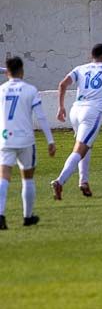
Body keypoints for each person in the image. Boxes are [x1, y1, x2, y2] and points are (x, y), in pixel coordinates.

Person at [52, 43, 102, 199]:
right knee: (80, 149)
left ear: (91, 56)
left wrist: (60, 107)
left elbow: (62, 84)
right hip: (91, 113)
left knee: (86, 145)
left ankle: (83, 182)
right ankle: (60, 181)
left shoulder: (80, 68)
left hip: (75, 110)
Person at [0, 57, 55, 227]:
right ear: (22, 71)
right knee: (28, 178)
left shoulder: (1, 90)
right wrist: (50, 140)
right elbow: (41, 117)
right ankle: (27, 217)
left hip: (5, 139)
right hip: (25, 141)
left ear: (7, 72)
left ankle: (0, 215)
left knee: (3, 177)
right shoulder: (30, 90)